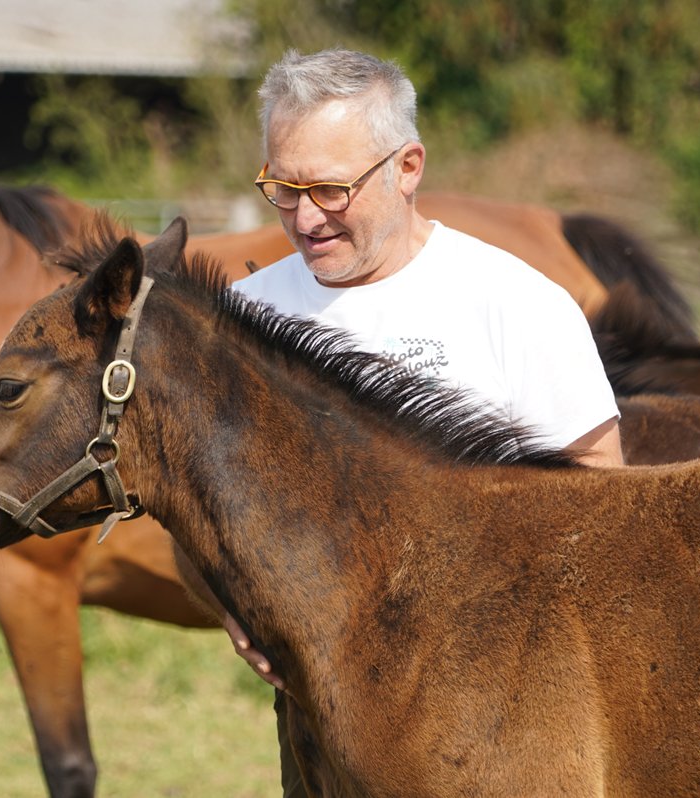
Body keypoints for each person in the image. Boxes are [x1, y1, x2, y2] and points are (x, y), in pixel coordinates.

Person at [180, 48, 624, 796]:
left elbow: (605, 502)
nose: (305, 217)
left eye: (330, 188)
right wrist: (229, 607)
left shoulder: (517, 303)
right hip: (321, 734)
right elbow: (199, 520)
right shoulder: (245, 322)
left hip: (508, 732)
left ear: (407, 166)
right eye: (282, 188)